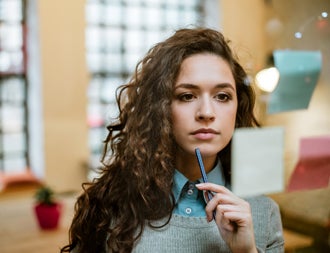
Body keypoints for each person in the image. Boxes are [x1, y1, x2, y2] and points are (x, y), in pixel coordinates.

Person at [61, 27, 284, 253]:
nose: (206, 112)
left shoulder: (263, 213)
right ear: (160, 108)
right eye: (187, 96)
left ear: (238, 107)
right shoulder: (111, 206)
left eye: (222, 96)